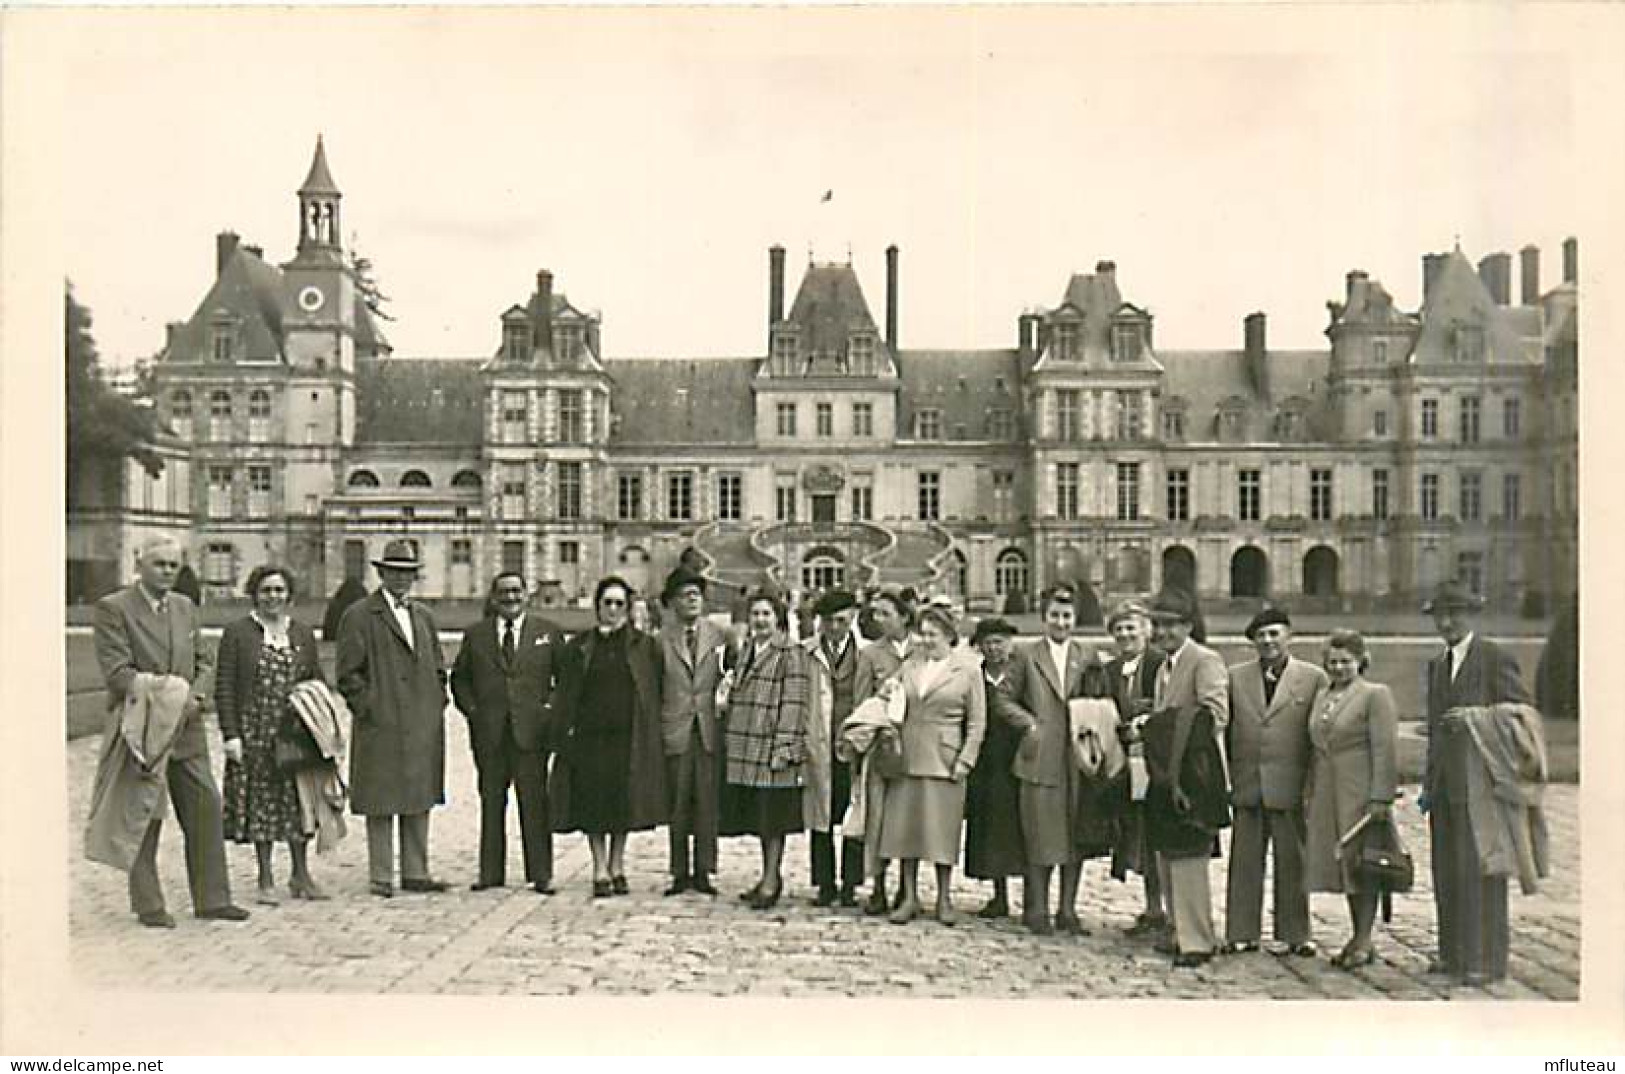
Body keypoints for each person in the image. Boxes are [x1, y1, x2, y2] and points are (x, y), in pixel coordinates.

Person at [85, 536, 249, 928]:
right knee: (146, 810)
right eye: (159, 564)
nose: (167, 572)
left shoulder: (185, 607)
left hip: (188, 728)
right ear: (139, 564)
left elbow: (204, 662)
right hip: (141, 728)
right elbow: (118, 673)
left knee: (205, 805)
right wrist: (172, 698)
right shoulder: (114, 609)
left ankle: (213, 898)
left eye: (174, 566)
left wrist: (196, 697)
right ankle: (149, 904)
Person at [1422, 579, 1534, 986]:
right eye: (1440, 614)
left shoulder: (1494, 657)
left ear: (1472, 615)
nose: (1448, 621)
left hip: (1482, 785)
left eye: (1455, 613)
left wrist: (1476, 717)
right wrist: (1429, 782)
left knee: (1483, 870)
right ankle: (1453, 954)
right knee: (1447, 870)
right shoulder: (1437, 664)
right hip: (1446, 786)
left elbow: (1521, 716)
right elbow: (1437, 728)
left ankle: (1487, 959)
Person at [335, 539, 450, 898]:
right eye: (394, 572)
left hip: (421, 719)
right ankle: (381, 875)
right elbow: (347, 674)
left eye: (408, 573)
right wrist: (369, 706)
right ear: (381, 574)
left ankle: (417, 871)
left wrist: (436, 699)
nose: (401, 579)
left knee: (419, 793)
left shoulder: (423, 616)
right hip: (382, 720)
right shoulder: (359, 615)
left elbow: (438, 663)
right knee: (381, 796)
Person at [989, 583, 1099, 936]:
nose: (1061, 622)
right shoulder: (1026, 655)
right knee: (1040, 835)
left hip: (1079, 757)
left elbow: (1100, 698)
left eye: (1067, 616)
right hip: (1039, 756)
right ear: (1044, 618)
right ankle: (1036, 908)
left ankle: (1068, 908)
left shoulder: (1088, 654)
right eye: (1054, 616)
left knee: (1075, 836)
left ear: (1076, 618)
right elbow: (1003, 699)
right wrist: (1030, 723)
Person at [216, 565, 328, 904]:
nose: (273, 597)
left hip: (294, 731)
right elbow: (225, 686)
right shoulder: (238, 633)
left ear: (289, 595)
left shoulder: (302, 633)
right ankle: (265, 877)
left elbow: (315, 678)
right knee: (261, 804)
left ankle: (300, 874)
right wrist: (231, 735)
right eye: (266, 590)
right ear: (255, 594)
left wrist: (321, 721)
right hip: (255, 731)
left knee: (299, 803)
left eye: (279, 590)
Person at [449, 571, 566, 895]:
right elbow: (460, 679)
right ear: (493, 597)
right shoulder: (476, 635)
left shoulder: (548, 633)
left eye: (516, 591)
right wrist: (474, 712)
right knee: (491, 803)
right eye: (503, 592)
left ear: (526, 594)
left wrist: (548, 711)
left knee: (535, 804)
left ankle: (541, 873)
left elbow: (564, 679)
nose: (511, 598)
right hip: (491, 734)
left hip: (531, 734)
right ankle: (490, 873)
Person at [551, 576, 668, 896]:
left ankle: (618, 865)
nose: (613, 610)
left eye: (619, 604)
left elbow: (655, 687)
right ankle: (599, 867)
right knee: (593, 804)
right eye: (607, 603)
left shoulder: (644, 646)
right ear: (598, 607)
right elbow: (567, 690)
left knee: (622, 803)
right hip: (590, 737)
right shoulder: (581, 646)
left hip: (627, 735)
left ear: (628, 608)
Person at [1223, 606, 1328, 957]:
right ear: (1252, 641)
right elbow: (1224, 731)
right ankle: (1241, 931)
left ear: (1289, 636)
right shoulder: (1235, 677)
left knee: (1293, 861)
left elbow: (1318, 735)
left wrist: (1313, 786)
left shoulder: (1312, 678)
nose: (1267, 641)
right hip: (1248, 781)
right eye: (1261, 636)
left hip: (1291, 784)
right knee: (1245, 861)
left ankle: (1296, 933)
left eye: (1274, 634)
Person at [877, 606, 986, 926]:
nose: (925, 640)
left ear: (949, 636)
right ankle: (909, 896)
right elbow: (887, 697)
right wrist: (888, 691)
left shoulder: (967, 670)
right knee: (905, 831)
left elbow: (977, 722)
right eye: (922, 634)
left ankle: (943, 897)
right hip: (907, 757)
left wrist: (966, 758)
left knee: (942, 832)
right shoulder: (910, 665)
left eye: (932, 635)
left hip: (945, 759)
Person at [1140, 587, 1230, 967]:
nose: (1162, 633)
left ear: (1188, 627)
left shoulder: (1204, 660)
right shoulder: (1164, 666)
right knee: (1168, 852)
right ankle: (1178, 930)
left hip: (1195, 771)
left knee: (1190, 855)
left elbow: (1215, 714)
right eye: (1157, 625)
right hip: (1167, 770)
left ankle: (1197, 940)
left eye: (1170, 626)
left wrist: (1157, 724)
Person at [1303, 630, 1399, 968]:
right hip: (1328, 789)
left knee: (1364, 863)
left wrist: (1380, 797)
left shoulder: (1374, 695)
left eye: (1346, 661)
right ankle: (1357, 935)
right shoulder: (1323, 695)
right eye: (1332, 662)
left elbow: (1385, 749)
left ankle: (1363, 939)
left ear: (1361, 661)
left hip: (1359, 791)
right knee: (1344, 865)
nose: (1339, 668)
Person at [720, 588, 811, 910]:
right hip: (747, 744)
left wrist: (785, 746)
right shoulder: (746, 649)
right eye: (755, 614)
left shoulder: (790, 653)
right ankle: (766, 874)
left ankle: (773, 878)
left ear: (779, 618)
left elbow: (795, 702)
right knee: (760, 816)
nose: (760, 620)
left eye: (766, 614)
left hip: (772, 744)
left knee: (774, 818)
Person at [656, 567, 731, 897]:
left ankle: (704, 870)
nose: (691, 601)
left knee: (706, 802)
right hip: (675, 727)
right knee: (678, 802)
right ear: (672, 602)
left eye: (696, 595)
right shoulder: (660, 640)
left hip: (708, 728)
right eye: (685, 595)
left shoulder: (719, 636)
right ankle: (679, 871)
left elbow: (730, 676)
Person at [1102, 599, 1170, 939]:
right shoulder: (1110, 670)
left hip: (1156, 761)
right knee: (1137, 832)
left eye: (1132, 627)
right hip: (1124, 762)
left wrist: (1144, 724)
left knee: (1160, 832)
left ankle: (1167, 908)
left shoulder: (1161, 665)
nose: (1126, 634)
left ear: (1146, 631)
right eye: (1119, 629)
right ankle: (1152, 906)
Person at [851, 587, 916, 913]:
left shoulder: (923, 650)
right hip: (881, 747)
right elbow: (861, 701)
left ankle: (908, 889)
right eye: (875, 613)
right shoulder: (870, 655)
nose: (878, 619)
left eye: (885, 613)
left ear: (904, 617)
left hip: (915, 747)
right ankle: (877, 884)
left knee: (906, 818)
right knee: (877, 818)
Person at [804, 588, 864, 907]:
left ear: (852, 618)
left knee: (854, 814)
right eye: (829, 622)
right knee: (821, 815)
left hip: (853, 742)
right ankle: (825, 883)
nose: (835, 628)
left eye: (841, 621)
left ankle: (851, 883)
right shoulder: (808, 652)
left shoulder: (864, 653)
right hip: (820, 739)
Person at [964, 617, 1025, 918]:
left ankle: (1031, 896)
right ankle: (998, 893)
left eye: (1000, 641)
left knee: (1022, 825)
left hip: (1019, 758)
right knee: (989, 827)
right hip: (986, 762)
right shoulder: (974, 677)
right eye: (988, 643)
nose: (994, 648)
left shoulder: (1022, 674)